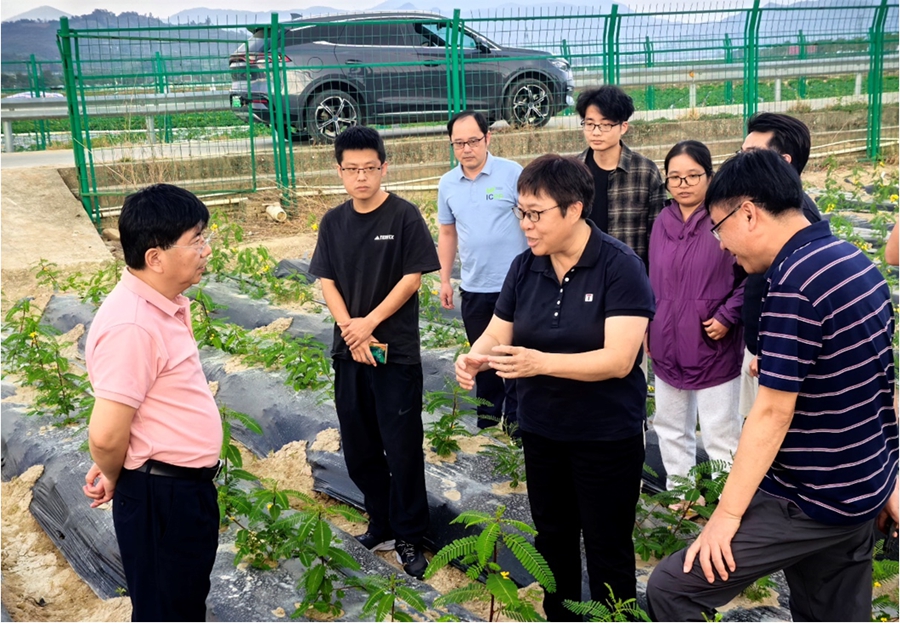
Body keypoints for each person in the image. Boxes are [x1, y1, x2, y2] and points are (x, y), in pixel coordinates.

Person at [646, 149, 898, 622]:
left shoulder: (794, 283)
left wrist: (724, 516)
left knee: (673, 588)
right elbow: (878, 384)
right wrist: (886, 478)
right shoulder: (851, 260)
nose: (721, 246)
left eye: (719, 229)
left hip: (809, 496)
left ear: (748, 213)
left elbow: (772, 412)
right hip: (860, 486)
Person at [455, 154, 655, 619]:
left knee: (607, 546)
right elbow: (498, 330)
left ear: (573, 209)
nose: (525, 224)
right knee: (553, 539)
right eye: (520, 212)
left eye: (535, 214)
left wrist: (540, 362)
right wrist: (474, 357)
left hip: (606, 436)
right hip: (544, 431)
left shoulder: (619, 266)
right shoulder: (526, 267)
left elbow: (619, 359)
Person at [82, 184, 223, 621]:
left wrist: (121, 466)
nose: (206, 249)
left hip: (174, 490)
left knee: (180, 603)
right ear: (155, 257)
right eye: (195, 240)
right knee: (167, 611)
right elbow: (105, 434)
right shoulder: (134, 325)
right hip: (163, 498)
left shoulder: (162, 305)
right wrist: (115, 471)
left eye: (205, 237)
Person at [308, 125, 440, 580]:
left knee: (401, 447)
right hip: (351, 350)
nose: (361, 177)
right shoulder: (333, 221)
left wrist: (369, 324)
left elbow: (412, 278)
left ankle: (409, 533)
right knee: (360, 445)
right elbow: (326, 279)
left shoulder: (403, 217)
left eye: (369, 168)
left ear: (384, 167)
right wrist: (351, 330)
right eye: (351, 169)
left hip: (393, 351)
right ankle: (380, 523)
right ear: (339, 171)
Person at [647, 141, 745, 493]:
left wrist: (728, 315)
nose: (683, 184)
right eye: (674, 177)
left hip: (712, 340)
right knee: (670, 426)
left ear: (709, 175)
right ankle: (680, 497)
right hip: (666, 341)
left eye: (692, 176)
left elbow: (752, 278)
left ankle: (724, 502)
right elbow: (651, 279)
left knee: (720, 432)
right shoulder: (662, 220)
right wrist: (649, 323)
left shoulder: (725, 219)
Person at [437, 110, 527, 434]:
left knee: (515, 359)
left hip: (516, 287)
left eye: (473, 141)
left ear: (487, 138)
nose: (466, 149)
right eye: (458, 143)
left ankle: (517, 428)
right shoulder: (447, 184)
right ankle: (488, 427)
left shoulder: (511, 174)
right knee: (483, 361)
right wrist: (446, 279)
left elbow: (531, 218)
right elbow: (448, 233)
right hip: (475, 288)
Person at [738, 113, 822, 418]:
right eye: (741, 153)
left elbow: (795, 299)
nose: (742, 163)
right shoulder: (770, 209)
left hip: (776, 358)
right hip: (763, 350)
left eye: (752, 155)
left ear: (783, 161)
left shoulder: (798, 217)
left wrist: (770, 354)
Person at [575, 85, 666, 270]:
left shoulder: (645, 171)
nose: (596, 132)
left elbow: (657, 233)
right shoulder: (573, 171)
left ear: (623, 127)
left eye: (605, 125)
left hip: (628, 272)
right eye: (589, 124)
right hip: (582, 272)